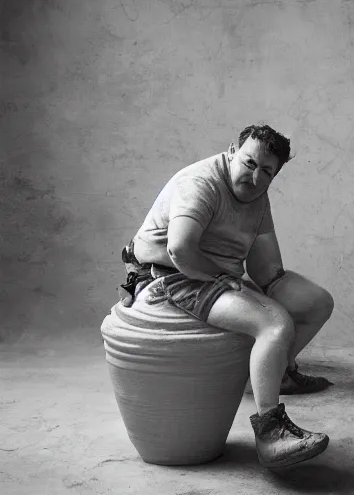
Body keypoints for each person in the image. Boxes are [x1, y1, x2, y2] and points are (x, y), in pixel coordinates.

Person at [118, 123, 335, 468]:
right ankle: (270, 434)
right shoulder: (201, 183)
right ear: (232, 152)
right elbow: (180, 250)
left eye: (267, 171)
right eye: (249, 163)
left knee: (317, 303)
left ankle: (278, 374)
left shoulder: (257, 194)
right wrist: (227, 280)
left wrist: (279, 285)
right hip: (170, 276)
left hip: (213, 275)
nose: (255, 176)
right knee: (274, 324)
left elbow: (264, 266)